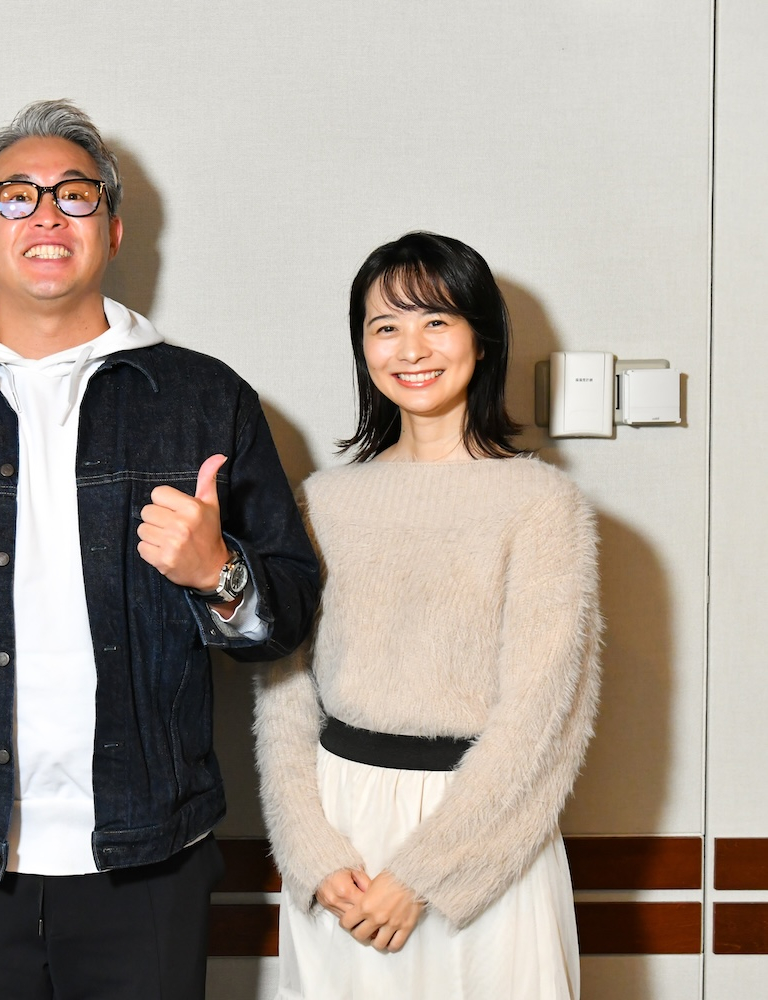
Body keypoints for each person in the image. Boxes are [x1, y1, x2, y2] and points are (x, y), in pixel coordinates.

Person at [0, 99, 321, 999]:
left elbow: (288, 617)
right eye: (15, 196)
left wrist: (221, 575)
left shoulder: (205, 400)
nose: (46, 214)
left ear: (112, 230)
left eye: (75, 194)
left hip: (152, 854)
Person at [255, 232, 601, 999]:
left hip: (483, 838)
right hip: (342, 834)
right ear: (363, 348)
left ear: (483, 336)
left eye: (436, 320)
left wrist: (425, 875)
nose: (410, 348)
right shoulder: (322, 501)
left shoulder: (541, 504)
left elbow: (544, 719)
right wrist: (311, 851)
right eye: (385, 326)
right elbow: (284, 692)